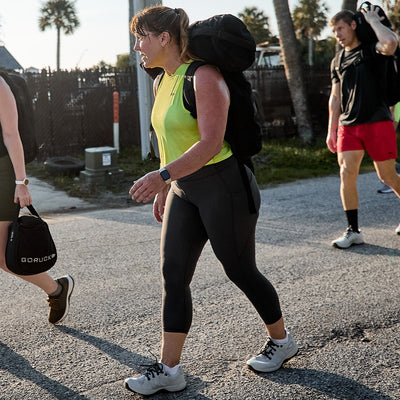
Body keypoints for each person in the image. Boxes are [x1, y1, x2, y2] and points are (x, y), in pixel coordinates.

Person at [124, 6, 298, 396]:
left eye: (142, 37)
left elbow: (211, 143)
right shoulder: (161, 81)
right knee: (173, 274)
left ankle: (283, 341)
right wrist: (168, 188)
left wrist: (161, 177)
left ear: (164, 38)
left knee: (239, 270)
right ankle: (170, 370)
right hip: (185, 191)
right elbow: (169, 142)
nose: (138, 47)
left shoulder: (203, 76)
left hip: (224, 187)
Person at [0, 73, 74, 324]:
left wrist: (21, 183)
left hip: (2, 174)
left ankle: (56, 289)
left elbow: (11, 135)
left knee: (4, 258)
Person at [327, 6, 400, 249]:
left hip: (377, 121)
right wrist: (331, 130)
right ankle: (353, 230)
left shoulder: (372, 50)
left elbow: (390, 41)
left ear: (353, 25)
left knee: (387, 176)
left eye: (340, 28)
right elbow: (335, 98)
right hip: (348, 125)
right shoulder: (337, 60)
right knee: (346, 172)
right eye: (334, 30)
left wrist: (372, 20)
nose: (337, 34)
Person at [377, 102, 400, 194]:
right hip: (385, 107)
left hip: (391, 106)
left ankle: (393, 177)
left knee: (384, 142)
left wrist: (391, 110)